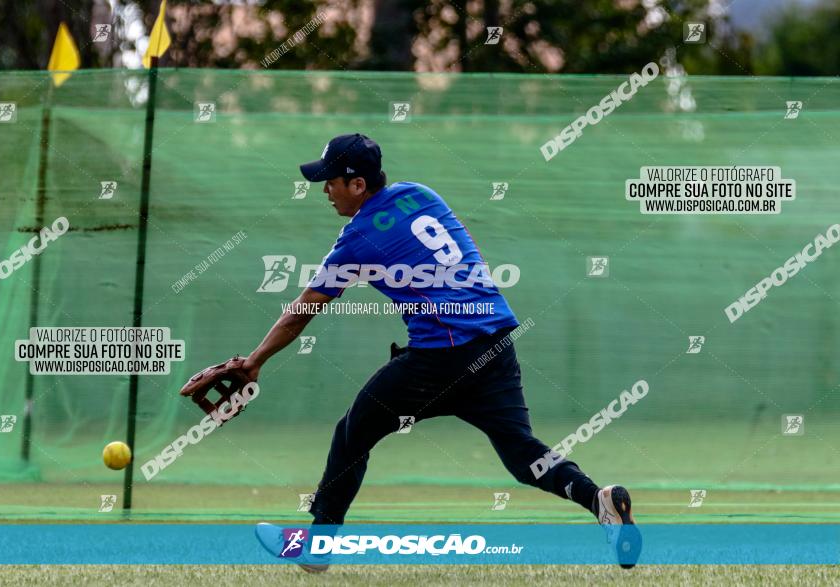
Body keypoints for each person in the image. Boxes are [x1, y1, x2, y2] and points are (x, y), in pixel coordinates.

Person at [247, 133, 640, 571]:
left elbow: (301, 312)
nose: (324, 188)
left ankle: (317, 547)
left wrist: (253, 362)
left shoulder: (357, 238)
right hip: (494, 344)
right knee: (521, 453)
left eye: (331, 180)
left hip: (439, 359)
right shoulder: (420, 194)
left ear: (357, 185)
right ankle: (598, 499)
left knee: (352, 434)